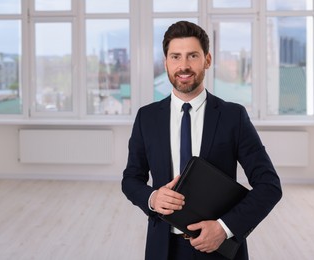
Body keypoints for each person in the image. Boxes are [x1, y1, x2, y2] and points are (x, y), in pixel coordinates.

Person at [121, 20, 282, 260]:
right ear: (165, 62)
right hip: (162, 248)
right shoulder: (147, 117)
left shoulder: (233, 116)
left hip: (218, 247)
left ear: (207, 60)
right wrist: (152, 198)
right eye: (175, 57)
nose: (183, 66)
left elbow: (269, 186)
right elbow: (131, 179)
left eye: (192, 56)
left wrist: (224, 228)